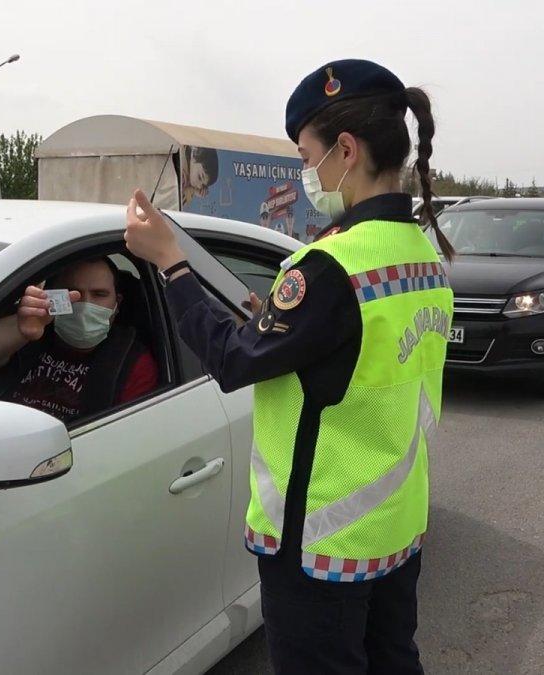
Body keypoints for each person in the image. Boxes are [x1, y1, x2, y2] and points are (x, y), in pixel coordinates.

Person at [124, 59, 455, 675]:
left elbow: (231, 360)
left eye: (307, 157)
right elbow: (353, 353)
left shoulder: (330, 266)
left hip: (319, 539)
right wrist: (270, 316)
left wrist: (171, 264)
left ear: (346, 151)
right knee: (392, 662)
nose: (306, 172)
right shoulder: (422, 253)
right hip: (393, 520)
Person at [0, 256, 158, 424]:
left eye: (99, 295)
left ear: (117, 303)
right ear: (54, 297)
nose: (85, 304)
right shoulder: (33, 332)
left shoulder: (132, 362)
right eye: (72, 293)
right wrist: (21, 330)